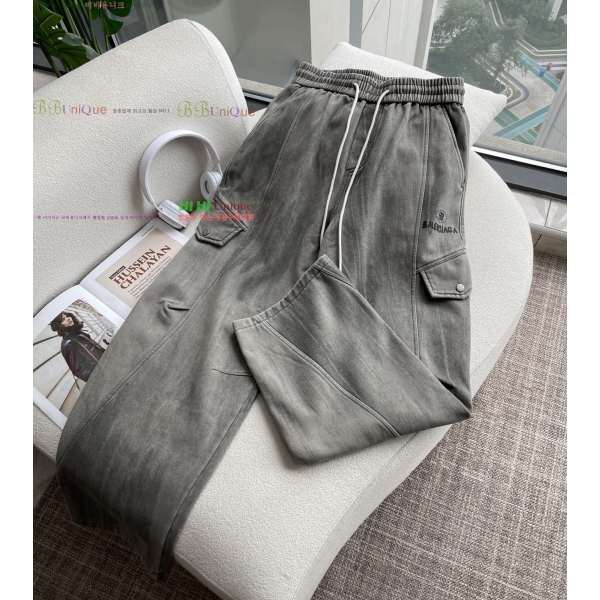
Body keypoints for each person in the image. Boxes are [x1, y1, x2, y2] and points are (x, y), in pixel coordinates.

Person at [50, 311, 105, 382]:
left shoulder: (79, 333)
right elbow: (79, 370)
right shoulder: (67, 344)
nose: (68, 319)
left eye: (68, 316)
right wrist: (99, 377)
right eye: (63, 320)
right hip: (101, 373)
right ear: (59, 326)